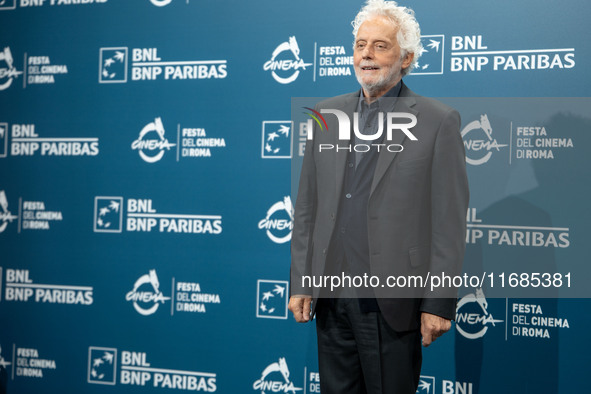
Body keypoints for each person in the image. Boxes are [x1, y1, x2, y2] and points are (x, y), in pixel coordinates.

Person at [288, 1, 469, 393]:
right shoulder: (326, 114)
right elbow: (307, 208)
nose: (366, 54)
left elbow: (449, 223)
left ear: (406, 58)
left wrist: (438, 302)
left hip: (393, 305)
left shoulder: (438, 121)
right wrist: (302, 280)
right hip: (332, 300)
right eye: (360, 45)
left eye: (380, 46)